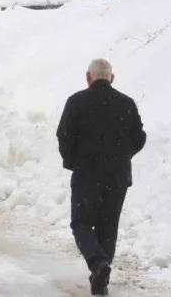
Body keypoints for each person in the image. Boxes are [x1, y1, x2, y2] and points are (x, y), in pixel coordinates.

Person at [56, 59, 147, 296]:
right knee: (108, 226)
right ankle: (101, 279)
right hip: (117, 177)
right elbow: (139, 138)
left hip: (86, 174)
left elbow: (64, 135)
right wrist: (122, 156)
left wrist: (72, 161)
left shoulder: (76, 102)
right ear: (112, 78)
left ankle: (98, 264)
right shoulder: (126, 104)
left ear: (88, 77)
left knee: (81, 223)